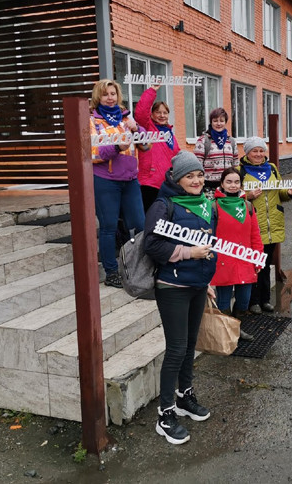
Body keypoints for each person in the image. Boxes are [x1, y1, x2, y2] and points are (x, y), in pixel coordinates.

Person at [143, 151, 217, 445]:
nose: (197, 180)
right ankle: (165, 415)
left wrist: (206, 280)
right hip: (172, 287)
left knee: (189, 346)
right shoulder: (163, 205)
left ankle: (185, 397)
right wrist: (187, 252)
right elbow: (152, 244)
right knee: (176, 349)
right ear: (177, 179)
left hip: (197, 285)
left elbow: (210, 244)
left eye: (199, 175)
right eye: (190, 176)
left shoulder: (206, 204)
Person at [90, 79, 149, 288]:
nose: (110, 97)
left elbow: (146, 145)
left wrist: (137, 129)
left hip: (130, 179)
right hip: (106, 180)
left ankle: (139, 266)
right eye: (106, 94)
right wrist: (116, 147)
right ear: (99, 96)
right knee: (108, 227)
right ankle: (111, 272)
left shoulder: (126, 117)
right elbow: (92, 153)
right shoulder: (93, 121)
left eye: (113, 94)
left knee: (140, 225)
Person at [240, 136, 292, 314]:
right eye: (254, 151)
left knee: (265, 263)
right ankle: (253, 301)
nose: (258, 154)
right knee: (253, 264)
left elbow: (279, 192)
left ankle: (265, 300)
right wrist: (247, 196)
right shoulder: (240, 171)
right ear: (247, 153)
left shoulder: (272, 168)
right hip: (254, 224)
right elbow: (233, 196)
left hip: (273, 223)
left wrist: (288, 192)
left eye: (261, 150)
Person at [211, 167, 263, 341]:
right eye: (229, 182)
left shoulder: (248, 206)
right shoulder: (213, 207)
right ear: (222, 184)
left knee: (243, 301)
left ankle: (236, 329)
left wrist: (258, 259)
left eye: (236, 182)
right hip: (223, 262)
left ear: (241, 184)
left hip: (245, 261)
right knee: (223, 302)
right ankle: (225, 335)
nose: (233, 185)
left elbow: (255, 235)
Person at [134, 84, 180, 212]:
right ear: (152, 115)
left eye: (165, 112)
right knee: (149, 218)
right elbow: (141, 112)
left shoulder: (169, 133)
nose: (162, 115)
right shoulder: (147, 128)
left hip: (167, 184)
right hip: (149, 183)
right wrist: (152, 91)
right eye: (158, 112)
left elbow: (177, 155)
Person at [193, 107, 239, 198]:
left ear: (225, 122)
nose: (218, 124)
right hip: (209, 187)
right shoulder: (204, 141)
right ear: (211, 122)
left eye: (221, 121)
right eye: (215, 121)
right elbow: (197, 166)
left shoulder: (232, 141)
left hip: (228, 187)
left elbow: (235, 164)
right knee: (212, 211)